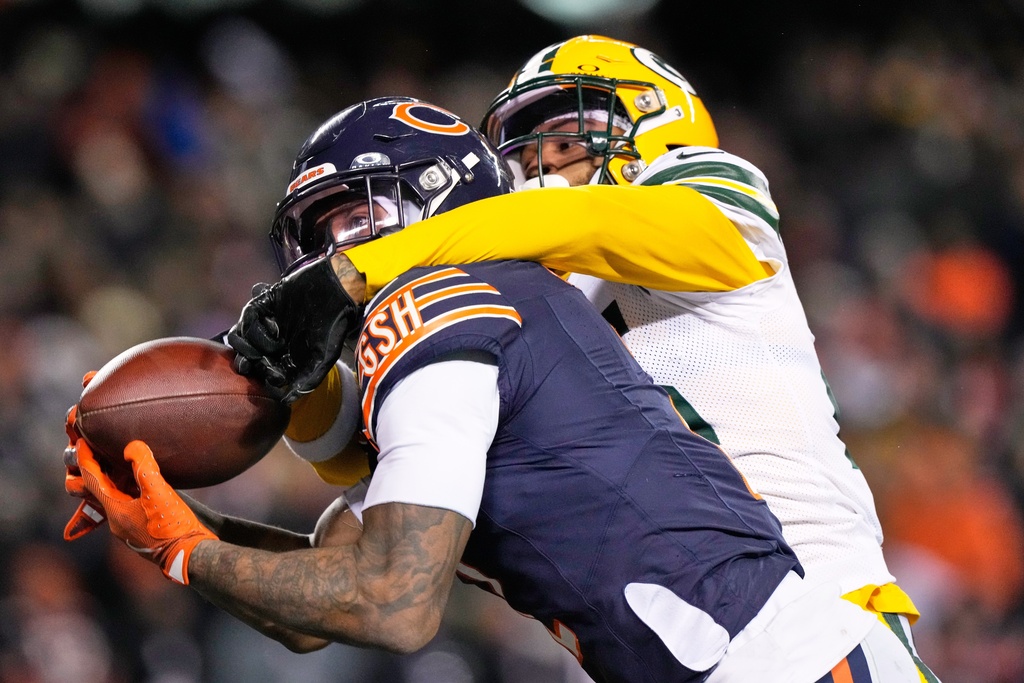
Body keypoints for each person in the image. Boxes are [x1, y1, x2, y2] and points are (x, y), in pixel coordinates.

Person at [69, 96, 920, 682]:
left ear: (438, 205)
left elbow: (393, 602)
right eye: (317, 235)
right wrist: (169, 526)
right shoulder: (470, 345)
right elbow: (321, 594)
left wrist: (188, 550)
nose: (331, 256)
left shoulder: (437, 304)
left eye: (357, 218)